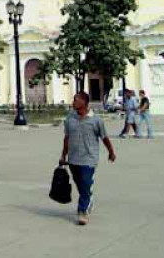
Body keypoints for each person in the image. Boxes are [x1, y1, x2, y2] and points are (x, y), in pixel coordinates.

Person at [60, 91, 116, 226]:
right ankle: (88, 197)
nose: (73, 102)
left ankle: (82, 211)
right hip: (73, 158)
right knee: (81, 184)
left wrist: (111, 151)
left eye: (75, 100)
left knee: (85, 181)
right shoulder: (69, 118)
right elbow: (66, 138)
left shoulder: (96, 120)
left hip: (89, 158)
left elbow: (104, 137)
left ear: (84, 103)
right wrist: (63, 155)